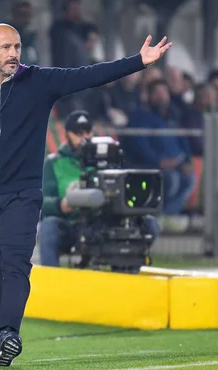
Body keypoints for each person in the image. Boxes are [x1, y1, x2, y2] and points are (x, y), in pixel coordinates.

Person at [0, 23, 171, 367]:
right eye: (6, 48)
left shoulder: (39, 81)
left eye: (17, 47)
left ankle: (9, 332)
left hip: (23, 193)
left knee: (16, 265)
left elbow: (89, 75)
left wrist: (138, 61)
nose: (14, 54)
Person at [38, 110, 160, 267]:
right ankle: (51, 281)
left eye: (87, 132)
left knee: (150, 224)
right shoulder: (54, 162)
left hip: (107, 223)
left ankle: (130, 268)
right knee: (49, 227)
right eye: (78, 133)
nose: (84, 137)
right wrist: (61, 204)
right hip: (74, 224)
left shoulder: (110, 160)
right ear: (67, 134)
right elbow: (41, 202)